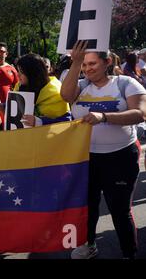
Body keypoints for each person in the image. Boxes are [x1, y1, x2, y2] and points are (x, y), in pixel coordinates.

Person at [61, 41, 146, 259]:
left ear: (107, 62)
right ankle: (89, 245)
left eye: (93, 64)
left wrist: (105, 117)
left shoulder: (125, 83)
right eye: (85, 65)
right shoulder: (81, 85)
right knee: (87, 206)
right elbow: (66, 96)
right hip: (86, 158)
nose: (88, 69)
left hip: (120, 157)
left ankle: (129, 253)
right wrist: (75, 62)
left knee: (119, 210)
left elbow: (140, 114)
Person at [11, 54, 72, 127]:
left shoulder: (56, 92)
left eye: (21, 72)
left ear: (32, 73)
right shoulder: (19, 86)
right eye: (18, 71)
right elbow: (13, 112)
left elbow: (66, 121)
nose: (18, 75)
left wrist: (40, 121)